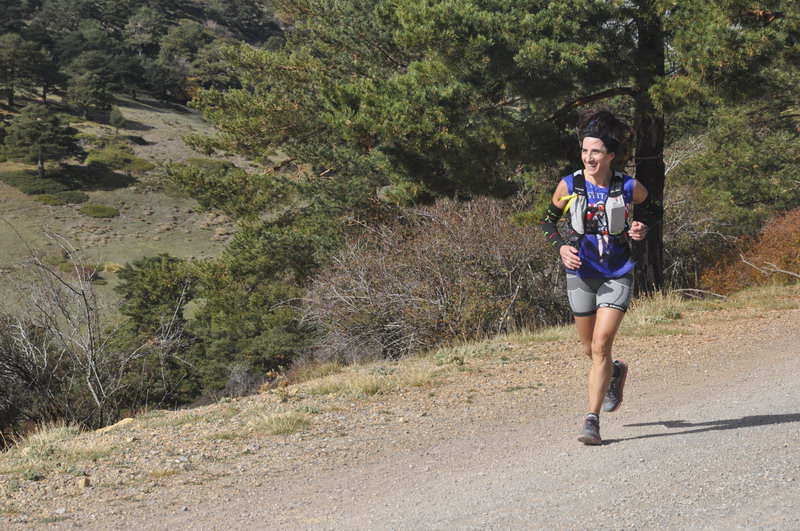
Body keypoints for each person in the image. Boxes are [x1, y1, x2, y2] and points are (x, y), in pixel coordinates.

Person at [540, 109, 663, 445]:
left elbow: (654, 208)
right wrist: (561, 248)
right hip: (580, 273)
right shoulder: (570, 184)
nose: (589, 157)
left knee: (600, 345)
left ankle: (591, 421)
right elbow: (547, 222)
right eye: (584, 151)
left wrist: (642, 227)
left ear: (610, 155)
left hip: (617, 274)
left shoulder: (627, 185)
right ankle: (615, 372)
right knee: (589, 349)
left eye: (596, 152)